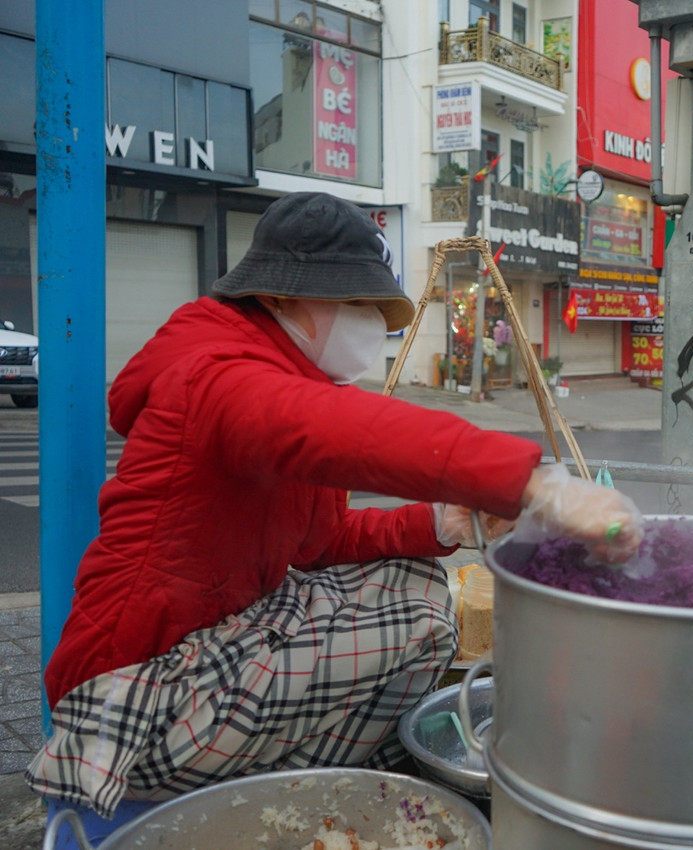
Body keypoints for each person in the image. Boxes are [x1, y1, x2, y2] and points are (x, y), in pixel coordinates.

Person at [26, 192, 642, 836]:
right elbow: (352, 433)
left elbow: (320, 542)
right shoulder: (214, 376)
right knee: (423, 622)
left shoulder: (283, 380)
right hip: (134, 699)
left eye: (374, 306)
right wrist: (533, 483)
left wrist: (439, 525)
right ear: (281, 298)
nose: (370, 322)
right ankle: (293, 794)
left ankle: (305, 781)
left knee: (416, 584)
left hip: (217, 645)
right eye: (353, 304)